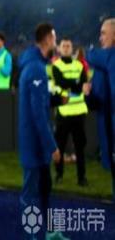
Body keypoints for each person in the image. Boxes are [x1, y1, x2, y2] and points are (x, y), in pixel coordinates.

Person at [18, 23, 61, 240]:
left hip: (38, 147)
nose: (56, 43)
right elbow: (38, 114)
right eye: (55, 39)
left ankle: (51, 232)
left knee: (45, 189)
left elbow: (41, 102)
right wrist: (52, 146)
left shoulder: (37, 65)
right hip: (34, 146)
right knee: (30, 195)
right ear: (47, 40)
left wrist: (56, 99)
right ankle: (31, 237)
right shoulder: (35, 68)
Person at [51, 38, 89, 186]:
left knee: (80, 147)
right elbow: (61, 83)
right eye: (64, 46)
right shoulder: (56, 66)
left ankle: (82, 178)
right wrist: (75, 83)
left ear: (72, 48)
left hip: (79, 113)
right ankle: (59, 174)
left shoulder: (79, 65)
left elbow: (82, 84)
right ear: (59, 49)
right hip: (64, 112)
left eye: (68, 46)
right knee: (60, 146)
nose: (66, 48)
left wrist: (72, 84)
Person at [85, 18, 115, 201]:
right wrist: (88, 94)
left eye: (104, 33)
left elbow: (91, 55)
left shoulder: (107, 59)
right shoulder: (102, 67)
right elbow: (96, 103)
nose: (100, 37)